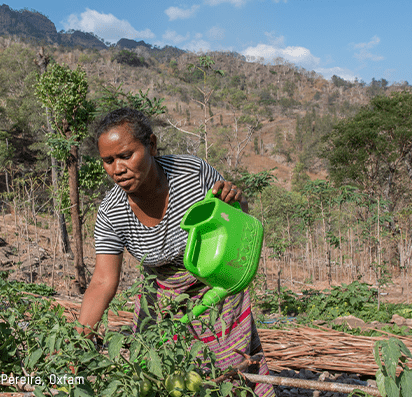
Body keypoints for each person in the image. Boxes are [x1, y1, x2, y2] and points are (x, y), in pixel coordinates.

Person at [78, 107, 274, 397]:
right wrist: (78, 342)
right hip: (162, 298)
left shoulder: (193, 175)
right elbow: (103, 281)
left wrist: (238, 203)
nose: (117, 168)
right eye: (108, 160)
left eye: (126, 155)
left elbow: (236, 225)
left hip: (215, 288)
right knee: (152, 374)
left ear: (152, 146)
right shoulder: (112, 212)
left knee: (226, 377)